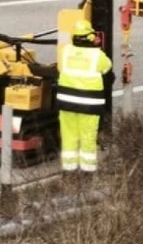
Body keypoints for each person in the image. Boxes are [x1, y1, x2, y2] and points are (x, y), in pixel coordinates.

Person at [47, 19, 112, 174]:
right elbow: (107, 68)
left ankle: (69, 170)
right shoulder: (97, 55)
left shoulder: (66, 51)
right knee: (88, 138)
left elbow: (61, 68)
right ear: (90, 36)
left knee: (69, 137)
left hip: (66, 103)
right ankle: (87, 171)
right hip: (89, 105)